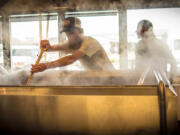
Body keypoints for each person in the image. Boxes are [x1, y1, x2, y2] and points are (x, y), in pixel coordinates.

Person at [31, 17, 115, 73]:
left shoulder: (89, 42)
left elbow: (71, 59)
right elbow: (50, 49)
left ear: (80, 31)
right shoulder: (71, 43)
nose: (69, 37)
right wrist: (46, 46)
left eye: (71, 33)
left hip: (109, 77)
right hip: (95, 78)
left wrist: (46, 66)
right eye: (67, 34)